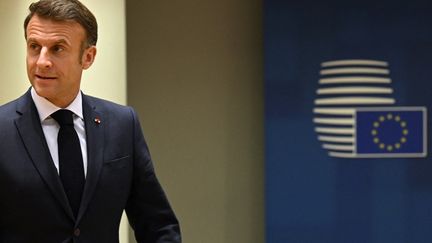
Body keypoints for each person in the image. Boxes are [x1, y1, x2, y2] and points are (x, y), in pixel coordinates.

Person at [0, 0, 181, 242]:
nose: (41, 61)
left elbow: (157, 225)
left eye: (57, 48)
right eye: (34, 46)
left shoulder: (122, 124)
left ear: (88, 57)